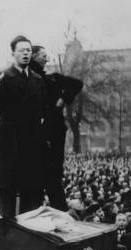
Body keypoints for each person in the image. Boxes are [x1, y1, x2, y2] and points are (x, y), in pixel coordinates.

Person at [0, 35, 47, 218]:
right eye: (22, 50)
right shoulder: (3, 76)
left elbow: (43, 111)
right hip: (10, 143)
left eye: (28, 50)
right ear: (13, 54)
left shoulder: (37, 79)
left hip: (31, 144)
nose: (26, 54)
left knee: (31, 194)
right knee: (7, 193)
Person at [29, 44, 84, 211]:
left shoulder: (52, 78)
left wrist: (63, 99)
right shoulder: (28, 78)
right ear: (33, 56)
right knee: (40, 177)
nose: (47, 58)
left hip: (54, 131)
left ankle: (58, 210)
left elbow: (77, 84)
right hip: (38, 132)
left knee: (53, 176)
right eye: (43, 55)